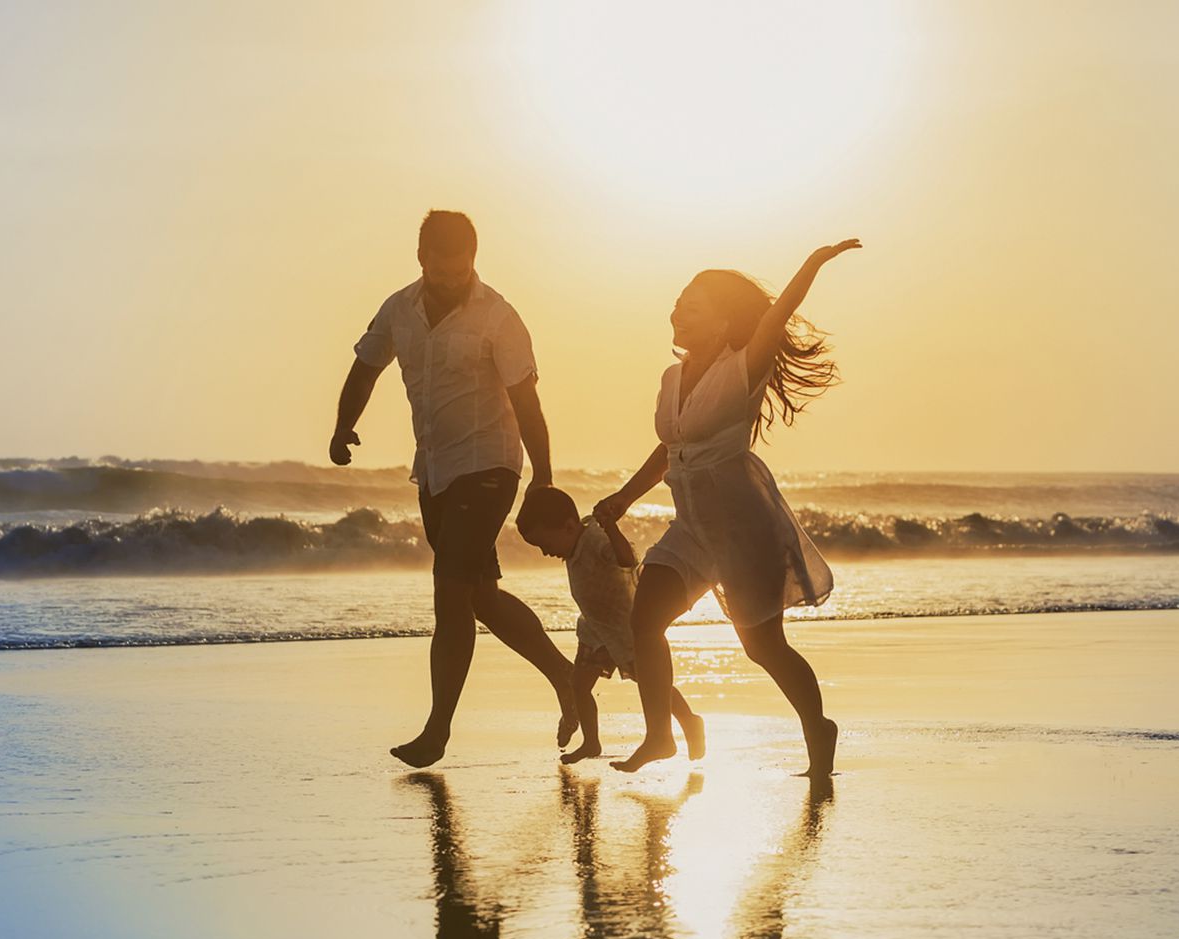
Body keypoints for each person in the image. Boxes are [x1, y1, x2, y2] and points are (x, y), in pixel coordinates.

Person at [595, 239, 862, 776]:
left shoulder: (744, 365)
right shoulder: (672, 378)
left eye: (693, 307)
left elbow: (777, 316)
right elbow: (670, 448)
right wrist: (624, 497)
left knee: (763, 648)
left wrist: (813, 262)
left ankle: (818, 728)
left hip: (744, 526)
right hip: (692, 526)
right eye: (677, 304)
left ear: (722, 323)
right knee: (645, 620)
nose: (678, 313)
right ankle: (659, 737)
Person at [330, 210, 578, 768]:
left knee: (449, 594)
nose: (451, 280)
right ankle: (567, 678)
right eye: (441, 271)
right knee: (480, 596)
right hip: (436, 470)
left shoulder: (498, 316)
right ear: (423, 260)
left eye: (462, 268)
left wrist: (543, 476)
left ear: (473, 258)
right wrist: (343, 425)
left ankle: (437, 730)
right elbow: (365, 368)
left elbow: (526, 402)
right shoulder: (399, 309)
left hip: (490, 466)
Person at [514, 486, 705, 764]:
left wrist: (612, 529)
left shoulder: (594, 538)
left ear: (568, 527)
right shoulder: (572, 544)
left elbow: (627, 560)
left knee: (653, 685)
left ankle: (689, 721)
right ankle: (591, 743)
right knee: (578, 684)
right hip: (595, 629)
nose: (545, 553)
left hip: (625, 628)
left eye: (545, 544)